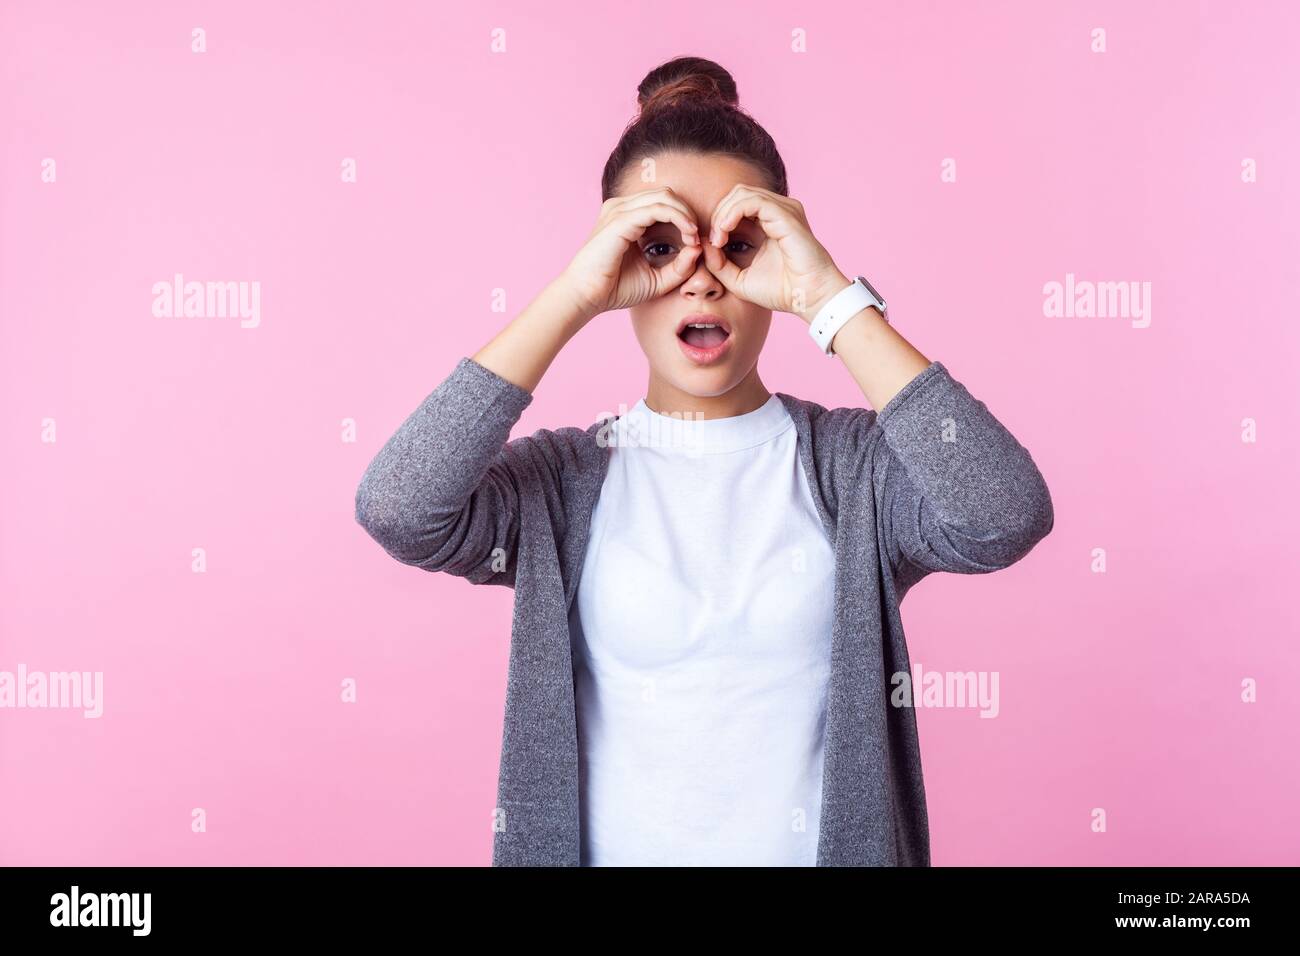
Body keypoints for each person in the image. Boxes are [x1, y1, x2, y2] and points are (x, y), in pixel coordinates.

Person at [354, 55, 1055, 866]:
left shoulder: (854, 472)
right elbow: (400, 508)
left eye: (739, 247)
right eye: (658, 248)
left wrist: (829, 297)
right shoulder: (563, 484)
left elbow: (1006, 515)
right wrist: (572, 295)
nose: (702, 284)